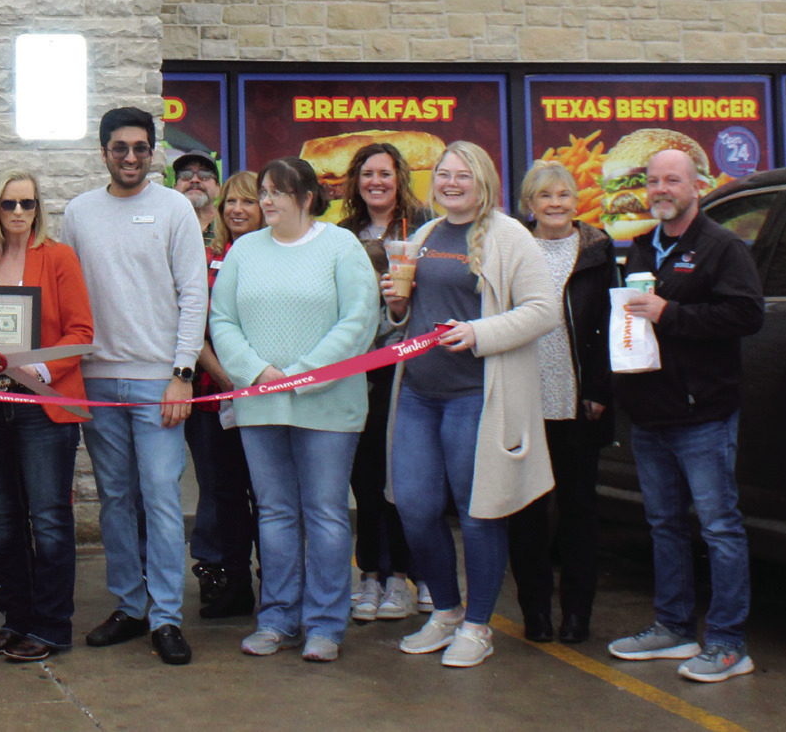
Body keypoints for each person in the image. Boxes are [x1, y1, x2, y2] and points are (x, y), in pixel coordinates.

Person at [383, 141, 556, 671]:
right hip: (417, 393)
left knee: (479, 511)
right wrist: (395, 305)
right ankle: (446, 610)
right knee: (413, 506)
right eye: (443, 174)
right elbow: (406, 316)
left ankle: (478, 626)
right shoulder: (425, 235)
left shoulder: (511, 237)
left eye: (463, 175)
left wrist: (478, 332)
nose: (451, 183)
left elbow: (543, 310)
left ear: (484, 182)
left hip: (476, 397)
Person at [606, 148, 765, 684]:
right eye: (652, 181)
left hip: (703, 416)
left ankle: (726, 642)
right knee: (664, 526)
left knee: (720, 528)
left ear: (696, 184)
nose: (660, 189)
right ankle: (673, 628)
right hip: (651, 414)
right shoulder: (643, 247)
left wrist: (671, 315)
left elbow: (747, 314)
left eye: (671, 180)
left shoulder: (721, 247)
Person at [210, 158, 378, 662]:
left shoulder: (341, 247)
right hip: (260, 404)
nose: (265, 201)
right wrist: (256, 372)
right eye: (263, 191)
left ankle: (326, 623)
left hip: (327, 404)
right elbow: (222, 319)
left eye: (277, 192)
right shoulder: (245, 251)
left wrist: (305, 371)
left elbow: (359, 320)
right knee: (276, 513)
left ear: (306, 197)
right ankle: (278, 617)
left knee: (325, 514)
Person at [63, 108, 209, 666]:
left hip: (158, 382)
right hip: (98, 380)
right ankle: (130, 606)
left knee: (162, 499)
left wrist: (181, 375)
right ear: (103, 151)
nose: (130, 157)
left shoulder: (174, 209)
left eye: (141, 148)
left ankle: (168, 616)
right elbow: (68, 293)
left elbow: (193, 296)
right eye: (120, 148)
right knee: (116, 499)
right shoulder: (79, 212)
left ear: (154, 152)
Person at [0, 169, 95, 662]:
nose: (20, 212)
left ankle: (51, 626)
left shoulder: (58, 258)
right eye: (9, 204)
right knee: (2, 521)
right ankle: (15, 620)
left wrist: (37, 364)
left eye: (29, 204)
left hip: (44, 405)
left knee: (50, 519)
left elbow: (81, 331)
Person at [509, 160, 615, 645]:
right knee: (528, 513)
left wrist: (597, 389)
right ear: (529, 204)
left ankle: (577, 615)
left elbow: (610, 325)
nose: (556, 204)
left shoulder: (597, 249)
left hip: (577, 403)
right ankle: (536, 612)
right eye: (545, 196)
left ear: (577, 201)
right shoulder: (513, 247)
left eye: (564, 195)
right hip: (524, 401)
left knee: (579, 512)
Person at [337, 142, 425, 624]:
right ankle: (370, 573)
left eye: (385, 174)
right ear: (356, 181)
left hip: (408, 369)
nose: (376, 182)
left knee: (403, 476)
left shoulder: (422, 227)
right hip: (355, 367)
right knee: (365, 477)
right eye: (367, 173)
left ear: (400, 179)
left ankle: (404, 576)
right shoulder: (342, 234)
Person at [189, 172, 261, 621]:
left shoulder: (274, 255)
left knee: (271, 496)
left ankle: (277, 583)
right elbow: (193, 326)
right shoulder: (204, 255)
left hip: (268, 394)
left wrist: (254, 381)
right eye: (231, 201)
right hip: (214, 398)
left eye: (248, 202)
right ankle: (233, 582)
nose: (237, 209)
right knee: (224, 493)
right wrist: (229, 381)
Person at [171, 151, 220, 216]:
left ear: (218, 188)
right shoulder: (164, 224)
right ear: (175, 188)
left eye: (204, 175)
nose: (194, 180)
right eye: (185, 175)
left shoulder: (229, 224)